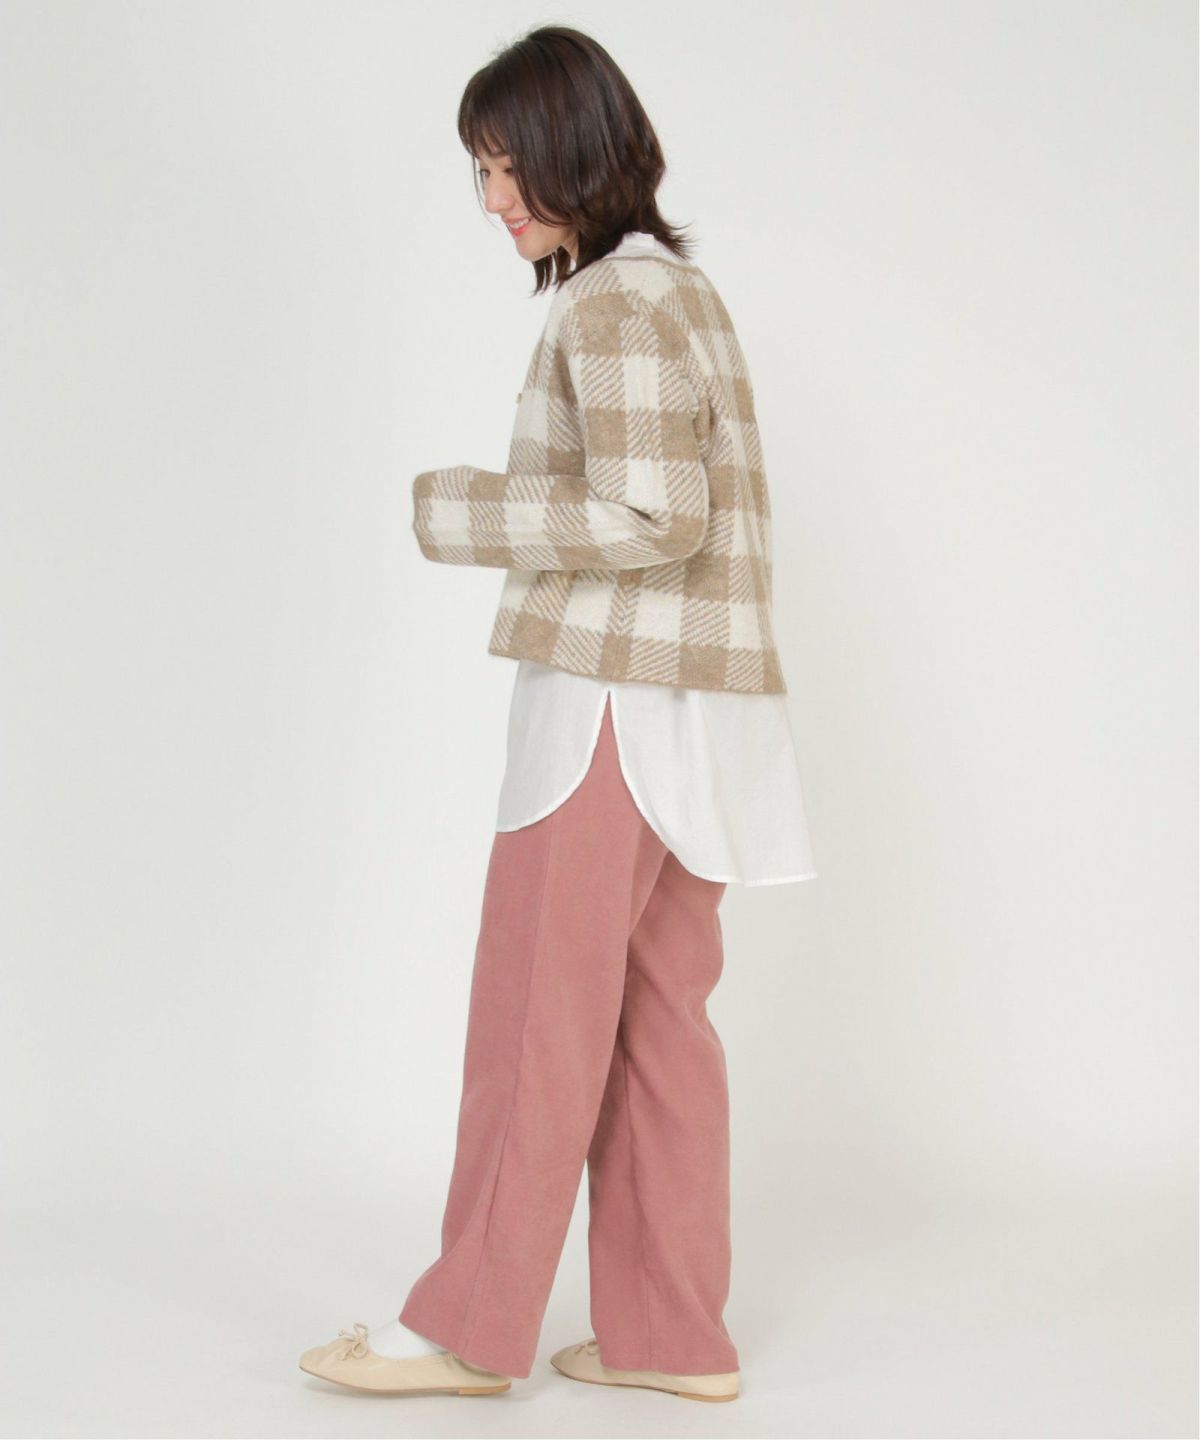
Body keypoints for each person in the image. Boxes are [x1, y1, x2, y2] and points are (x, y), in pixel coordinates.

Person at [298, 22, 816, 1405]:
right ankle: (669, 1336)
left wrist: (460, 511)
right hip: (697, 724)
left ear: (578, 148)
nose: (493, 200)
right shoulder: (680, 292)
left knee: (537, 1016)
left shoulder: (612, 305)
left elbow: (656, 514)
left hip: (611, 718)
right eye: (479, 171)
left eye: (508, 164)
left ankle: (469, 1330)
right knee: (656, 1030)